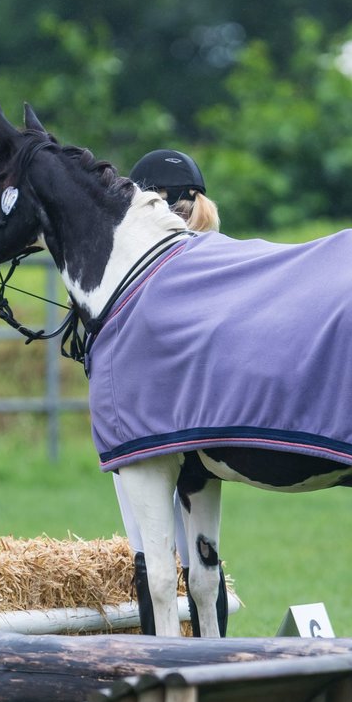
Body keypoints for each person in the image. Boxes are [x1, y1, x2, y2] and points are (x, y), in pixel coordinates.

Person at [120, 148, 228, 635]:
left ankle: (158, 657)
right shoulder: (219, 253)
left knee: (149, 552)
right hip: (207, 423)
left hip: (149, 425)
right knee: (204, 557)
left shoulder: (144, 266)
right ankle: (216, 647)